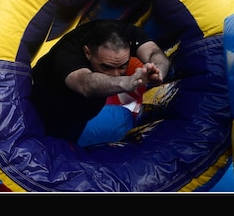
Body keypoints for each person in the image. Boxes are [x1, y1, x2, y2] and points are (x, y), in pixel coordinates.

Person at [29, 18, 170, 145]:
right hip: (43, 106)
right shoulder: (68, 52)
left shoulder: (125, 35)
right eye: (106, 67)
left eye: (122, 66)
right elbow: (86, 84)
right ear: (87, 53)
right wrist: (126, 81)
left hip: (79, 116)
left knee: (66, 140)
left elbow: (154, 53)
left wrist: (157, 72)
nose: (115, 74)